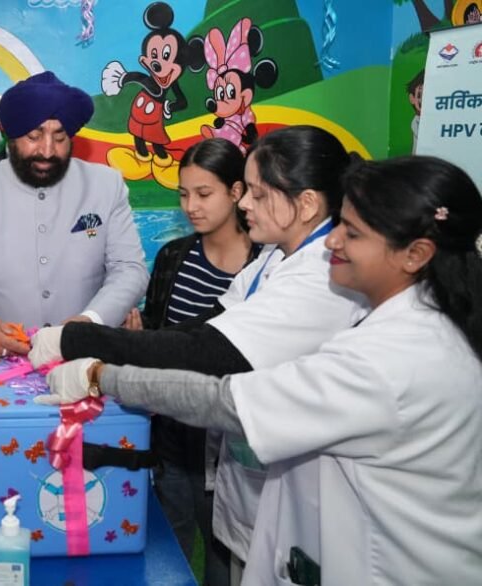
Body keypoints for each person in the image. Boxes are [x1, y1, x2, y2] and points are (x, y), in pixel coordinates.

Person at [40, 155, 482, 585]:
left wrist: (100, 375)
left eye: (352, 232)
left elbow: (223, 398)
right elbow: (211, 330)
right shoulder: (419, 321)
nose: (332, 242)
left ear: (415, 254)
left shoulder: (393, 357)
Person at [29, 125, 369, 579]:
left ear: (305, 204)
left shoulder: (320, 278)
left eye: (257, 194)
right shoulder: (274, 258)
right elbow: (205, 327)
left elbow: (209, 351)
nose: (244, 203)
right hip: (252, 475)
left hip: (306, 492)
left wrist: (79, 345)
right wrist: (99, 343)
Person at [0, 71, 148, 360]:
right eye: (34, 136)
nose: (47, 150)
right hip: (4, 363)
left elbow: (130, 269)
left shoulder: (105, 185)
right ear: (10, 135)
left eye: (60, 137)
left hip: (87, 361)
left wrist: (91, 322)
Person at [141, 138, 259, 586]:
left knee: (223, 553)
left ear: (236, 191)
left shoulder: (263, 268)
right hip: (171, 431)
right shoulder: (174, 257)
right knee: (166, 542)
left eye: (204, 194)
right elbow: (159, 335)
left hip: (227, 440)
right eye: (183, 194)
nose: (191, 206)